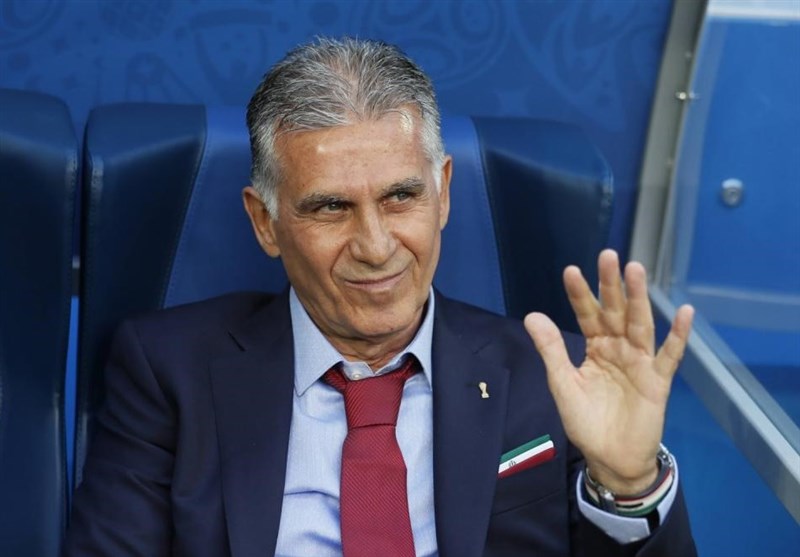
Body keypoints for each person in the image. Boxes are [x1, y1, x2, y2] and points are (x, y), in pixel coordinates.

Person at [65, 37, 697, 556]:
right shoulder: (167, 368)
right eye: (331, 208)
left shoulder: (556, 375)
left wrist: (629, 486)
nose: (375, 246)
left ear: (442, 193)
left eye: (401, 197)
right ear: (265, 223)